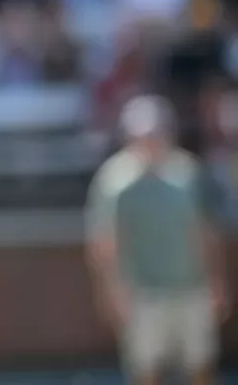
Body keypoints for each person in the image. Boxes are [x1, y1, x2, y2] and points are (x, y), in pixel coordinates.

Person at [87, 95, 229, 385]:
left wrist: (216, 279)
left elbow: (205, 229)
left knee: (201, 364)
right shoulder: (114, 180)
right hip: (143, 292)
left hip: (191, 287)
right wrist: (112, 290)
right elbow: (104, 241)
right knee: (145, 369)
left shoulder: (188, 172)